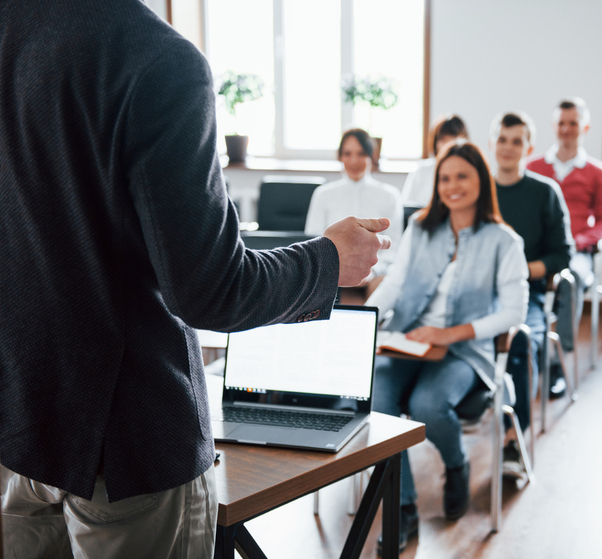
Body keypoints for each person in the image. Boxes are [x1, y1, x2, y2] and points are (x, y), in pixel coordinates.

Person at [0, 1, 390, 557]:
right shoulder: (155, 59)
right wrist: (328, 260)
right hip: (130, 447)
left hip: (21, 426)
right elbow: (212, 290)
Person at [367, 140, 528, 553]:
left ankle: (456, 465)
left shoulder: (504, 241)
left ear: (481, 181)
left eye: (462, 176)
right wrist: (363, 322)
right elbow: (397, 283)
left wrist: (450, 334)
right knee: (378, 401)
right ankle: (401, 508)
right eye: (445, 178)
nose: (452, 186)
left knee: (426, 405)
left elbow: (513, 312)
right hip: (407, 340)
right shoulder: (421, 228)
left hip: (463, 350)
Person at [490, 111, 574, 478]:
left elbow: (561, 255)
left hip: (528, 295)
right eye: (502, 139)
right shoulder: (477, 191)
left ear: (529, 147)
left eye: (516, 141)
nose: (508, 147)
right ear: (493, 142)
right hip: (477, 296)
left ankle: (513, 437)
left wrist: (518, 271)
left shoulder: (545, 193)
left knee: (520, 343)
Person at [526, 98, 602, 362]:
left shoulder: (598, 172)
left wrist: (579, 241)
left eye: (573, 123)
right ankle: (526, 351)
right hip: (539, 248)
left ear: (584, 127)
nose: (566, 129)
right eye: (561, 123)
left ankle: (557, 359)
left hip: (576, 251)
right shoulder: (534, 167)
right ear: (554, 126)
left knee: (570, 278)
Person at [305, 128, 403, 285]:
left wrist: (372, 272)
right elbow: (312, 240)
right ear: (340, 157)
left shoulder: (390, 196)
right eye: (347, 154)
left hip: (374, 276)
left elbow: (395, 247)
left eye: (361, 153)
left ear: (372, 156)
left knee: (384, 283)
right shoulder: (323, 194)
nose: (354, 161)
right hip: (332, 274)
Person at [401, 114, 470, 207]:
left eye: (453, 138)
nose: (448, 144)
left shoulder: (471, 171)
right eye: (442, 139)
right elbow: (407, 207)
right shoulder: (422, 171)